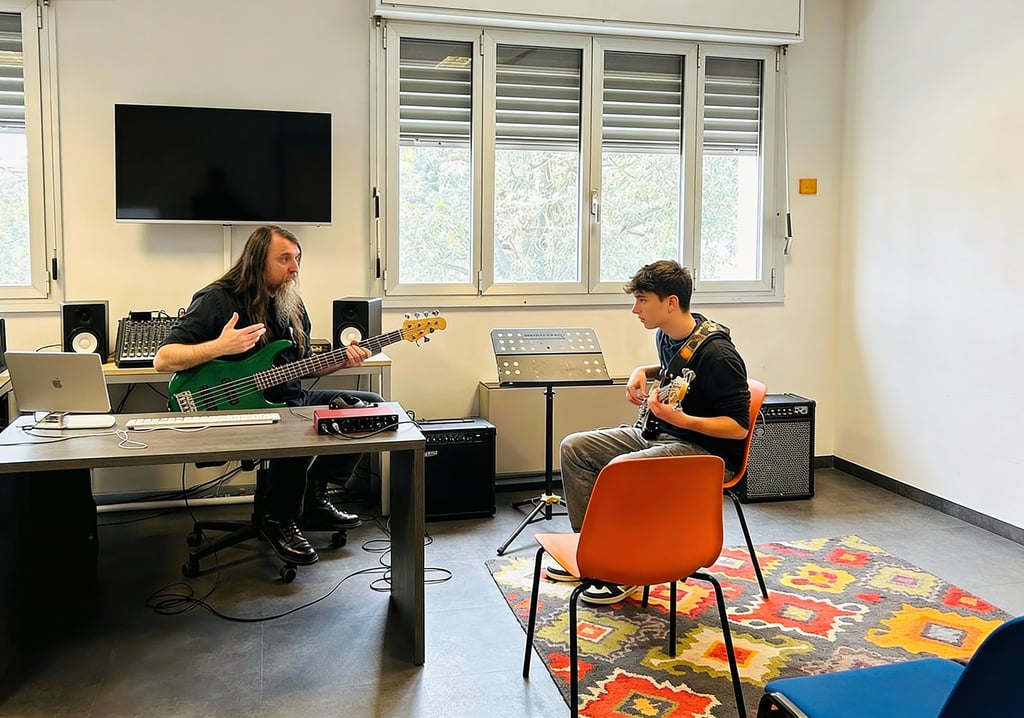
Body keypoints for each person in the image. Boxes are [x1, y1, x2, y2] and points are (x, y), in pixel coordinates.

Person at [154, 225, 384, 567]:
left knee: (367, 409)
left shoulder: (290, 303)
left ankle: (315, 497)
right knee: (296, 424)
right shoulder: (217, 299)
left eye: (297, 259)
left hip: (288, 400)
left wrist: (342, 358)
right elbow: (164, 358)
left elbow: (302, 367)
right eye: (285, 259)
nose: (295, 268)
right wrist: (220, 346)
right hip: (235, 409)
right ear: (257, 261)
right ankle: (279, 520)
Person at [553, 259, 750, 604]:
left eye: (642, 300)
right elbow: (676, 370)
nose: (635, 309)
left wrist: (680, 420)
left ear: (670, 303)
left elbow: (738, 429)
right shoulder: (666, 334)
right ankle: (595, 557)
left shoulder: (719, 355)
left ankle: (625, 568)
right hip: (661, 433)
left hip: (704, 452)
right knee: (574, 448)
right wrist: (640, 370)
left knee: (623, 471)